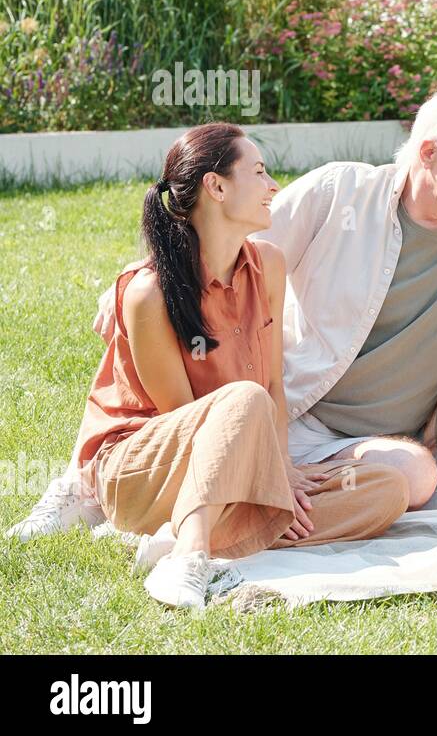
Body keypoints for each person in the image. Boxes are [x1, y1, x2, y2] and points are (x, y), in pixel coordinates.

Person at [65, 86, 437, 514]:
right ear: (429, 152)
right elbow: (227, 241)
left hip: (375, 447)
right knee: (161, 321)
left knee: (416, 476)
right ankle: (110, 488)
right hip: (289, 416)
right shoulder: (339, 192)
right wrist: (139, 274)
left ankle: (242, 511)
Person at [8, 123, 408, 608]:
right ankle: (190, 555)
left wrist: (279, 469)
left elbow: (275, 381)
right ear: (216, 187)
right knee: (244, 397)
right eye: (259, 172)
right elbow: (186, 418)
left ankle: (176, 535)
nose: (273, 185)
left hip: (230, 466)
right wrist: (264, 481)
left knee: (385, 489)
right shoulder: (148, 293)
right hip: (146, 467)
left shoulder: (270, 265)